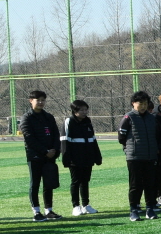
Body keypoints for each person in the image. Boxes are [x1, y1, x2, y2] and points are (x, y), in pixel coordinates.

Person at [117, 91, 161, 221]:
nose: (143, 106)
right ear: (133, 104)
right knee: (135, 184)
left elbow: (157, 135)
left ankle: (150, 209)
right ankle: (134, 210)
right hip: (134, 157)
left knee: (150, 184)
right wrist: (130, 148)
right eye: (140, 103)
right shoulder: (128, 118)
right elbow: (121, 137)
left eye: (145, 103)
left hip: (150, 156)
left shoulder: (152, 118)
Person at [21, 90, 62, 221]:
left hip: (50, 156)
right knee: (35, 184)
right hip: (35, 156)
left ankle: (49, 211)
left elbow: (56, 135)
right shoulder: (27, 118)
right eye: (37, 100)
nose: (40, 102)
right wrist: (45, 151)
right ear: (30, 101)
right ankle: (36, 212)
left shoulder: (48, 117)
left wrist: (55, 150)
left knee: (48, 184)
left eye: (43, 100)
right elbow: (29, 139)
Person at [61, 99, 102, 216]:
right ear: (75, 111)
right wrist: (66, 157)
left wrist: (97, 156)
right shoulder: (69, 121)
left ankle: (85, 205)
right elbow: (64, 140)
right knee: (75, 181)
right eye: (82, 110)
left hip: (87, 157)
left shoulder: (88, 122)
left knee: (85, 181)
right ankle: (76, 206)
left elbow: (93, 140)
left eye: (86, 110)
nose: (85, 112)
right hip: (75, 158)